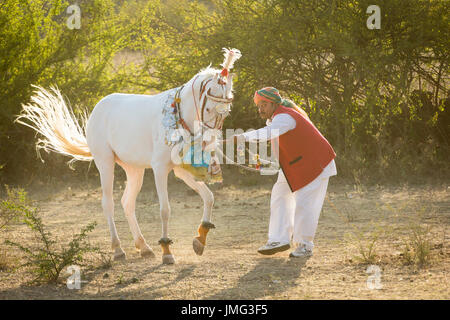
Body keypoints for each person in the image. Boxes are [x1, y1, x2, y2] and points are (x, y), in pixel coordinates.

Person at [234, 87, 337, 257]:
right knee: (279, 194)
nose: (260, 109)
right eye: (259, 105)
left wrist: (242, 137)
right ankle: (278, 239)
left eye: (264, 104)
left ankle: (305, 245)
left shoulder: (284, 117)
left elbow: (269, 133)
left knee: (305, 205)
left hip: (316, 164)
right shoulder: (276, 117)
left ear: (274, 104)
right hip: (297, 165)